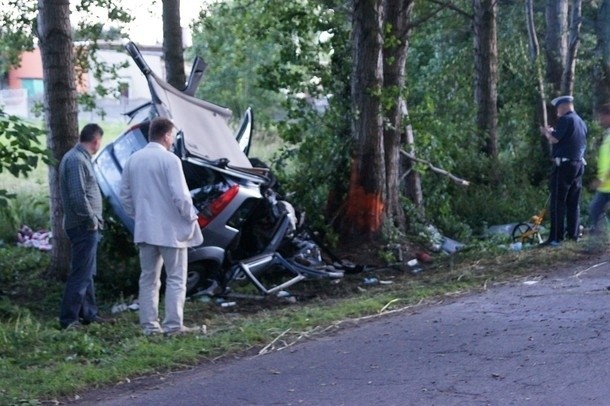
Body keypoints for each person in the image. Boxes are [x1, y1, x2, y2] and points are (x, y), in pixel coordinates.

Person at [119, 117, 204, 336]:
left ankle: (150, 326)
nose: (174, 140)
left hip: (145, 229)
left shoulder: (133, 160)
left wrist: (138, 216)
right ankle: (173, 325)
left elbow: (125, 197)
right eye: (173, 136)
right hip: (171, 231)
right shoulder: (170, 160)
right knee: (176, 278)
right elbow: (181, 197)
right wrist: (191, 216)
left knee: (148, 279)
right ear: (166, 135)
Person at [59, 123, 109, 330]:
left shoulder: (79, 158)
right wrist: (91, 221)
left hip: (85, 226)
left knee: (87, 272)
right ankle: (69, 320)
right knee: (80, 274)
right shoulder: (76, 160)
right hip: (82, 226)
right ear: (96, 140)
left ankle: (89, 313)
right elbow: (78, 197)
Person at [539, 95, 588, 246]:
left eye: (558, 108)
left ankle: (556, 237)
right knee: (573, 202)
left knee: (558, 201)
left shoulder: (566, 120)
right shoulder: (581, 121)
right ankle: (573, 235)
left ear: (564, 106)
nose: (557, 111)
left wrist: (547, 132)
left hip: (564, 165)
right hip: (578, 164)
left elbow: (555, 139)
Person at [588, 103, 610, 237]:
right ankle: (598, 243)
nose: (600, 120)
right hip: (605, 186)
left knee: (595, 209)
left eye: (602, 117)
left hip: (606, 183)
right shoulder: (607, 134)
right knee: (595, 209)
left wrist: (603, 178)